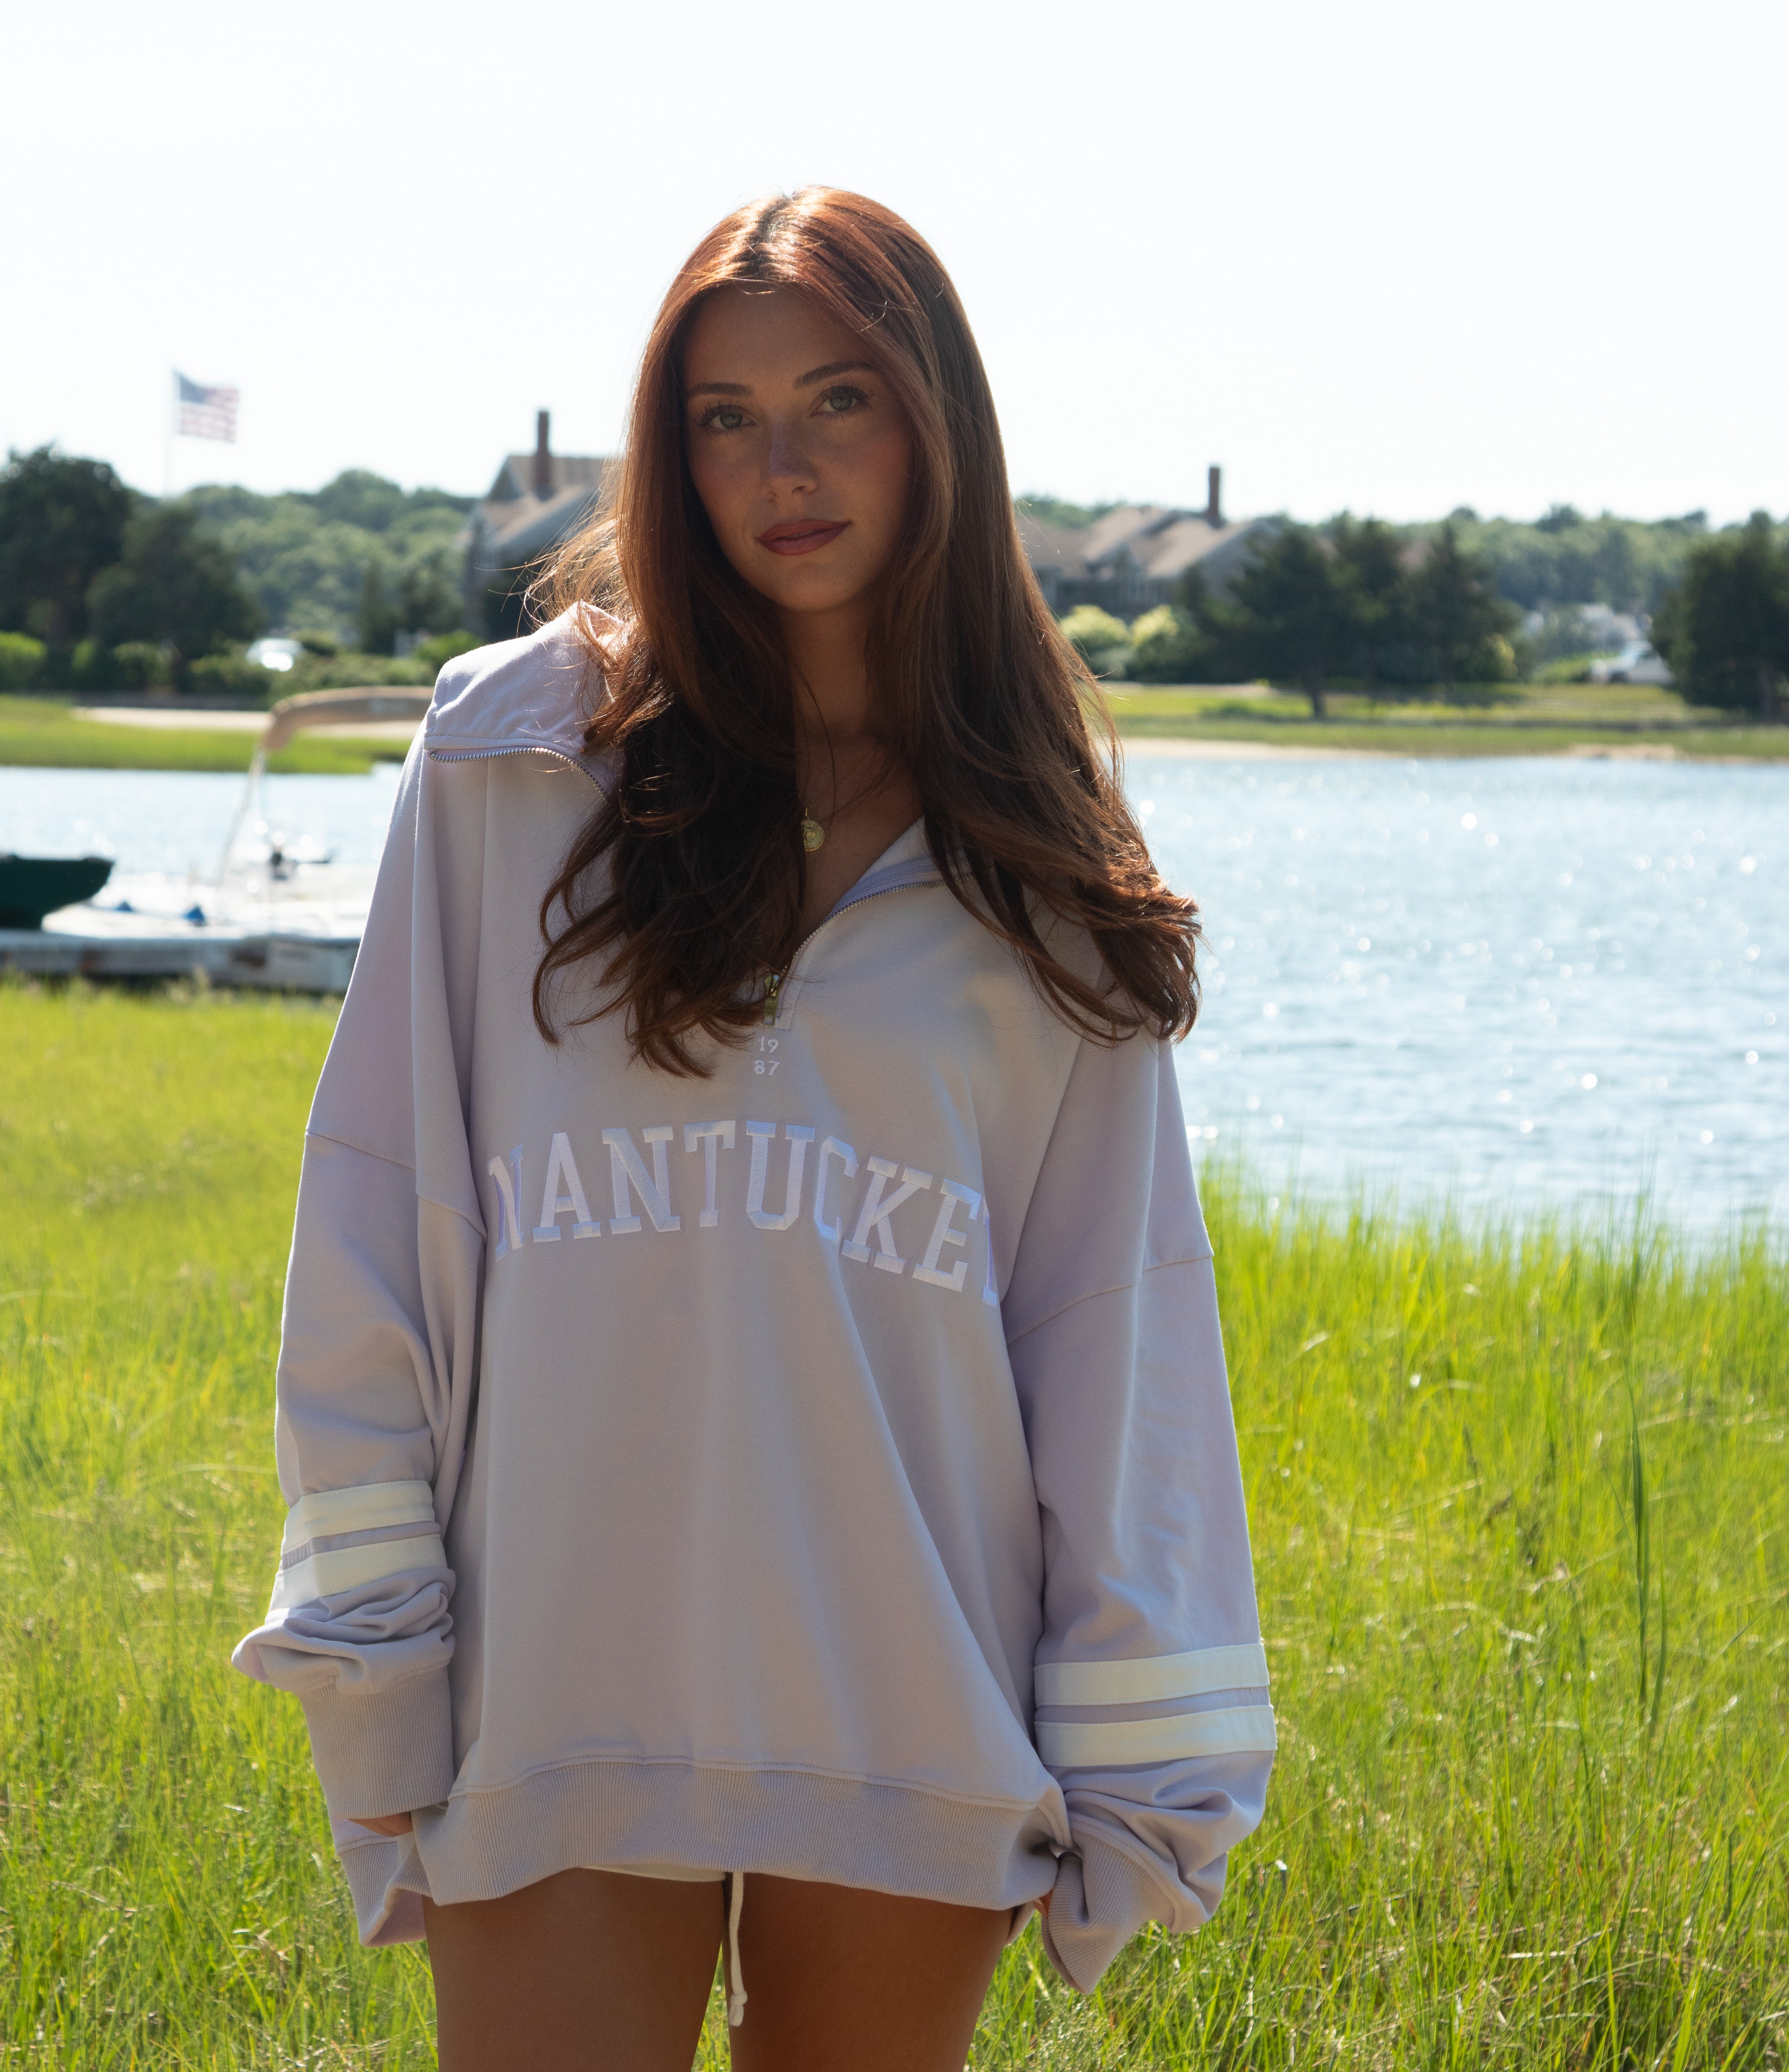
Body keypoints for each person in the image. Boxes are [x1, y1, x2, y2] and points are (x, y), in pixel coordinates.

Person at [233, 187, 1274, 2071]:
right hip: (554, 1692)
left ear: (937, 423)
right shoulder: (507, 760)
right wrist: (376, 1658)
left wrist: (1143, 1765)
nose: (781, 468)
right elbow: (378, 1223)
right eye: (725, 417)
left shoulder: (1040, 853)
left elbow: (1113, 1333)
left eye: (838, 401)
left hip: (913, 1705)